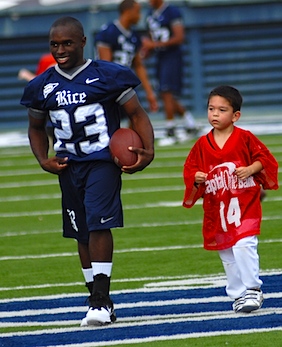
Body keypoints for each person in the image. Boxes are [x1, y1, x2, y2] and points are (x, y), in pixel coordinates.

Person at [20, 16, 154, 326]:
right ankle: (97, 297)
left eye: (67, 43)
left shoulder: (108, 75)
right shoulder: (41, 86)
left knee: (97, 223)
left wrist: (148, 151)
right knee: (80, 231)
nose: (60, 49)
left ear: (82, 42)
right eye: (55, 44)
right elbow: (35, 127)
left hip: (103, 161)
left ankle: (99, 300)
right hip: (69, 165)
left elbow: (137, 114)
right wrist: (43, 159)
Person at [182, 85, 278, 313]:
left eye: (222, 110)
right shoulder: (201, 145)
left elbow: (265, 159)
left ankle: (253, 289)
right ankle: (237, 293)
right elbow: (190, 171)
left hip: (245, 206)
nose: (214, 114)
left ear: (236, 115)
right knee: (227, 254)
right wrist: (196, 177)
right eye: (211, 109)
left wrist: (250, 169)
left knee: (244, 245)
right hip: (218, 210)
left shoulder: (244, 138)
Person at [142, 0, 198, 146]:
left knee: (166, 91)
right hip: (160, 57)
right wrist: (145, 52)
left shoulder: (172, 11)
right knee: (164, 93)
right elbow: (152, 40)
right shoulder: (149, 15)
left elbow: (179, 37)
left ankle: (170, 130)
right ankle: (190, 124)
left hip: (172, 56)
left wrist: (153, 45)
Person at [95, 0, 158, 113]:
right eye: (137, 12)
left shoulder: (134, 36)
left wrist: (150, 93)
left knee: (137, 116)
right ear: (128, 12)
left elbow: (138, 65)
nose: (140, 16)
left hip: (125, 84)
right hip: (109, 85)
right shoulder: (109, 32)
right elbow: (105, 65)